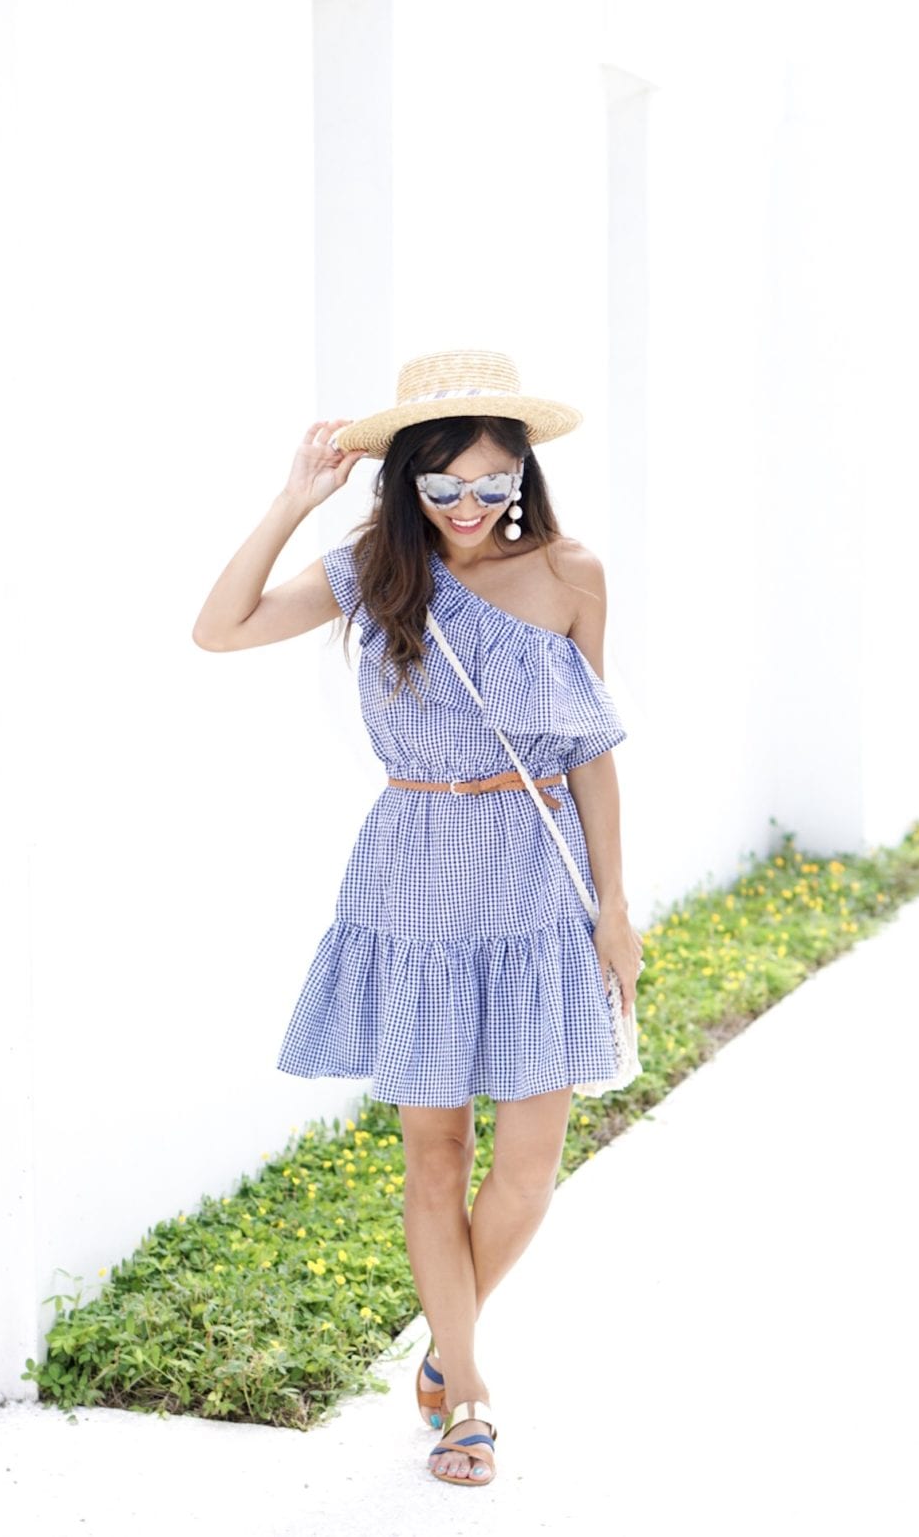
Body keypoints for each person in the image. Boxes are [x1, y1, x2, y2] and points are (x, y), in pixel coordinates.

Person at [192, 348, 642, 1488]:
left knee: (529, 1170)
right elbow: (221, 627)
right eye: (442, 488)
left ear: (523, 478)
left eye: (491, 484)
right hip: (418, 874)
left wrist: (618, 907)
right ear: (406, 486)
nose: (468, 508)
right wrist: (297, 497)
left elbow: (589, 747)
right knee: (435, 1155)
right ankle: (470, 1393)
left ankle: (446, 1345)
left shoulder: (574, 572)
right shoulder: (375, 570)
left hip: (538, 880)